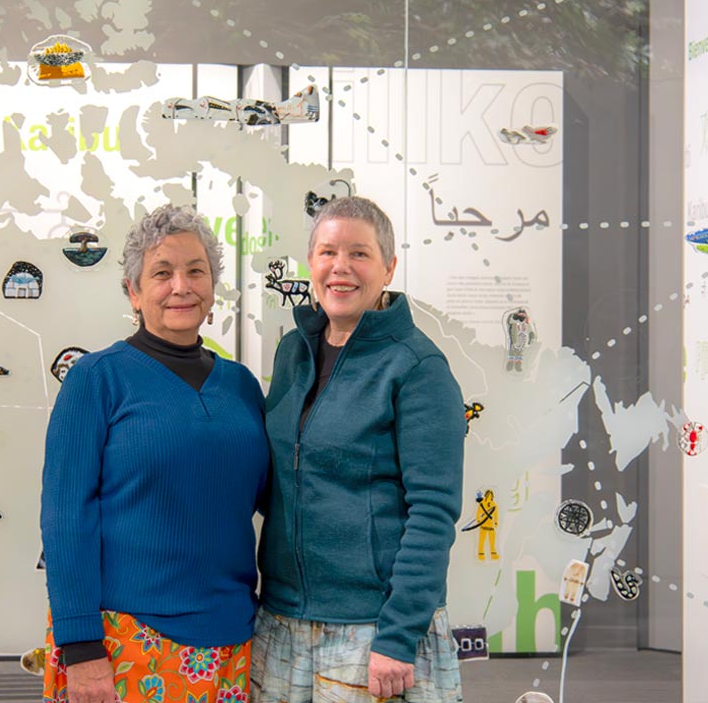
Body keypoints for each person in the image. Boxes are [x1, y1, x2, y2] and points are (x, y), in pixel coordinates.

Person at [41, 204, 270, 703]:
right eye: (161, 273)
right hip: (126, 641)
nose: (181, 286)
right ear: (134, 291)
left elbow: (270, 501)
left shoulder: (242, 387)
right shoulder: (95, 380)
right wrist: (80, 646)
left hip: (233, 638)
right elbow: (65, 519)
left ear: (213, 285)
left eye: (196, 271)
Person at [252, 196, 466, 703]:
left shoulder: (417, 368)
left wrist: (397, 636)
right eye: (327, 252)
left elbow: (433, 513)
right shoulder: (293, 352)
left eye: (359, 254)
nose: (340, 267)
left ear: (389, 267)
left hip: (372, 628)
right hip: (282, 620)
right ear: (311, 264)